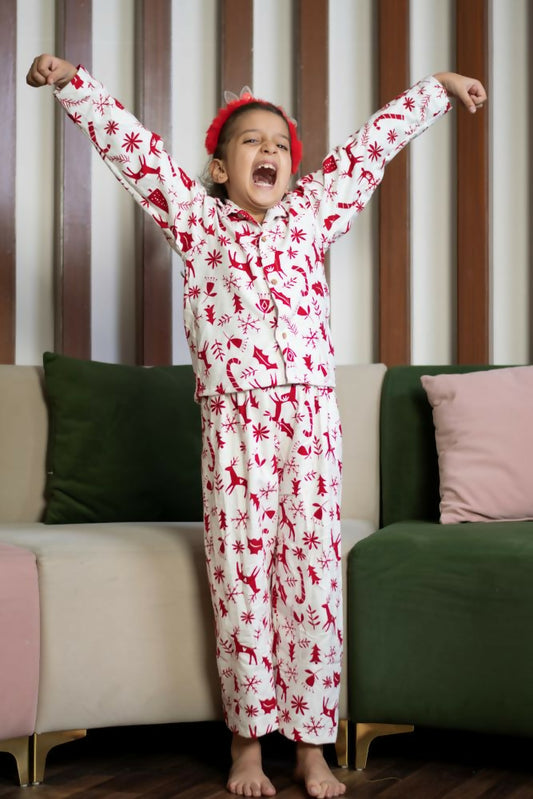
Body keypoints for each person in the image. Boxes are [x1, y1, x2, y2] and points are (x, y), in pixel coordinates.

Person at [27, 54, 486, 799]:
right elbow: (132, 150)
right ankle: (246, 742)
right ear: (216, 168)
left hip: (308, 421)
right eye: (250, 141)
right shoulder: (198, 224)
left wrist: (433, 91)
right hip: (234, 423)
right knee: (239, 582)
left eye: (279, 143)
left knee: (311, 579)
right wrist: (72, 83)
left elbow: (365, 153)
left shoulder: (309, 218)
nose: (269, 151)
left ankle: (309, 746)